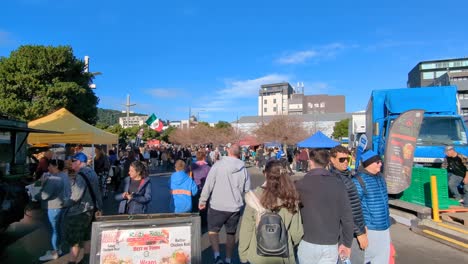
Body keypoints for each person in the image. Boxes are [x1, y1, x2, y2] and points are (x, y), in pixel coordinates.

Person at [238, 160, 303, 264]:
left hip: (257, 255)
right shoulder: (291, 198)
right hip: (283, 255)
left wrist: (243, 255)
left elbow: (246, 230)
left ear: (265, 174)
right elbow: (297, 233)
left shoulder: (254, 197)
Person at [295, 149, 353, 264]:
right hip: (330, 243)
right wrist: (346, 243)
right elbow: (347, 217)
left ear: (310, 162)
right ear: (328, 163)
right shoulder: (338, 184)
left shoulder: (300, 184)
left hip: (306, 240)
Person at [199, 143, 251, 264]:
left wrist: (202, 200)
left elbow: (208, 184)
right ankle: (228, 259)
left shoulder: (218, 165)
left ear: (228, 151)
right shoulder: (243, 169)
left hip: (217, 205)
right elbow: (247, 189)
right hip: (235, 207)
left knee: (213, 231)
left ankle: (217, 256)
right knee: (231, 233)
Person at [329, 146, 368, 264]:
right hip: (346, 235)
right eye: (341, 159)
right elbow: (345, 211)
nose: (346, 161)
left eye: (347, 159)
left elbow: (355, 206)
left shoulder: (347, 175)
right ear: (332, 160)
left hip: (353, 230)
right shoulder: (336, 179)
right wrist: (359, 232)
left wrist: (363, 225)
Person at [63, 152, 103, 264]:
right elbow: (98, 192)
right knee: (87, 236)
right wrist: (100, 207)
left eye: (73, 161)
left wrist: (64, 203)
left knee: (74, 241)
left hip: (80, 211)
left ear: (79, 162)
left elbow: (75, 197)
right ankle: (86, 259)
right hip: (91, 210)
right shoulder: (92, 172)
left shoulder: (81, 175)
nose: (71, 164)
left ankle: (72, 262)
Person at [353, 150, 391, 264]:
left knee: (382, 259)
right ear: (368, 163)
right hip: (370, 230)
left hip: (384, 228)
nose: (380, 164)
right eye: (377, 162)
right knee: (364, 259)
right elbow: (354, 208)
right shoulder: (358, 180)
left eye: (381, 161)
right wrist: (360, 231)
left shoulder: (380, 178)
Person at [35, 159, 69, 261]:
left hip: (53, 208)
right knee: (58, 229)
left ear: (56, 167)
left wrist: (35, 195)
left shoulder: (53, 179)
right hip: (61, 206)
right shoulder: (63, 176)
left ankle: (55, 252)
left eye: (50, 166)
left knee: (54, 231)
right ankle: (58, 249)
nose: (48, 168)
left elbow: (44, 195)